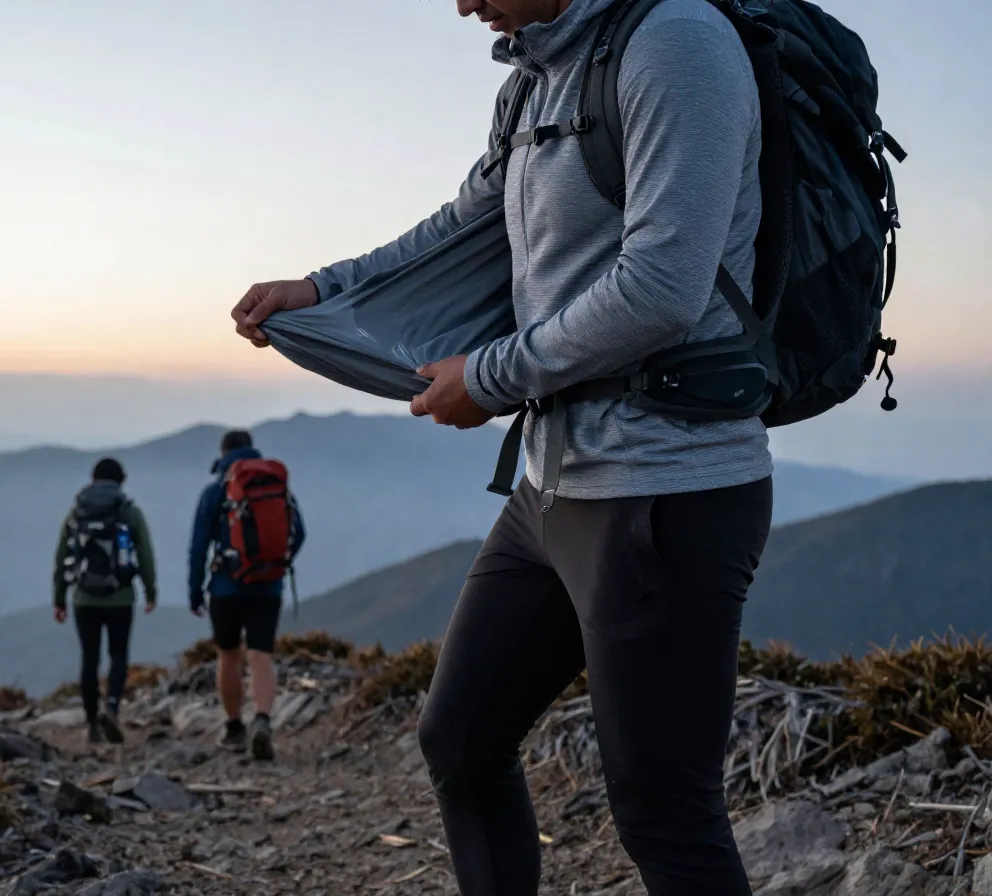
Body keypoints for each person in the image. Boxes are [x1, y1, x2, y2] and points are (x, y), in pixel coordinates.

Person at [232, 1, 774, 892]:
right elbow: (466, 222)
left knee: (663, 812)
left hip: (665, 491)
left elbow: (664, 286)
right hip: (553, 484)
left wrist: (488, 377)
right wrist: (323, 287)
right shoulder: (535, 76)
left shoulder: (678, 43)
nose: (461, 4)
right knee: (461, 736)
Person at [188, 430, 306, 760]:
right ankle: (263, 720)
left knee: (228, 655)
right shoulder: (276, 486)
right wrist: (278, 563)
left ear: (223, 453)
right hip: (268, 586)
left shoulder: (215, 491)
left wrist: (195, 590)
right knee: (260, 655)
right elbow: (300, 533)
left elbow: (198, 546)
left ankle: (234, 726)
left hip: (225, 587)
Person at [53, 457, 157, 746]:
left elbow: (62, 557)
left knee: (89, 658)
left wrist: (59, 598)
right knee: (119, 654)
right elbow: (145, 554)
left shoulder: (77, 513)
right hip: (121, 597)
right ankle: (111, 707)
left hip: (84, 598)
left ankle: (91, 724)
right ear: (121, 480)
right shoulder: (128, 512)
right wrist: (150, 591)